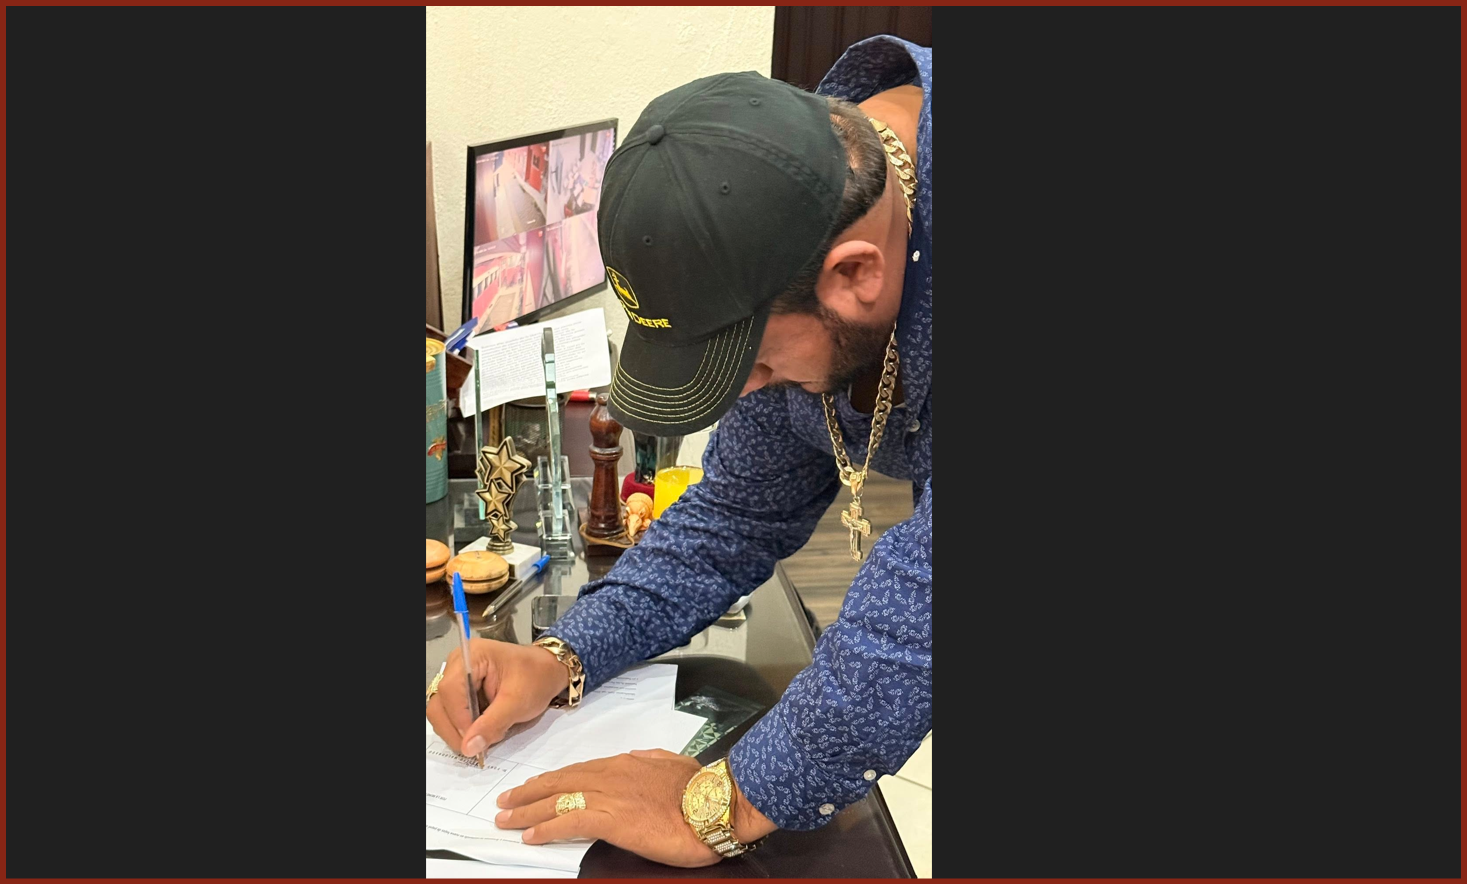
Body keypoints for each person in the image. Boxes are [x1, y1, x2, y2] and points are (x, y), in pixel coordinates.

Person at [427, 35, 931, 868]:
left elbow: (920, 608)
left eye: (753, 365)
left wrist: (722, 802)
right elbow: (736, 512)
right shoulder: (794, 214)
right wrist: (565, 655)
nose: (744, 396)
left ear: (856, 276)